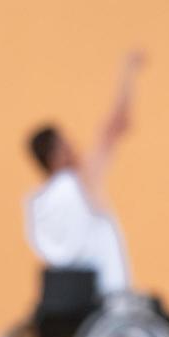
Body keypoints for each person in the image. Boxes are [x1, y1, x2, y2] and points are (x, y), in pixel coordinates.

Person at [25, 49, 143, 295]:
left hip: (71, 298)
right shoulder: (76, 184)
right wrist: (128, 71)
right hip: (107, 296)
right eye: (67, 144)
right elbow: (114, 126)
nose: (76, 148)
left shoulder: (38, 204)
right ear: (57, 156)